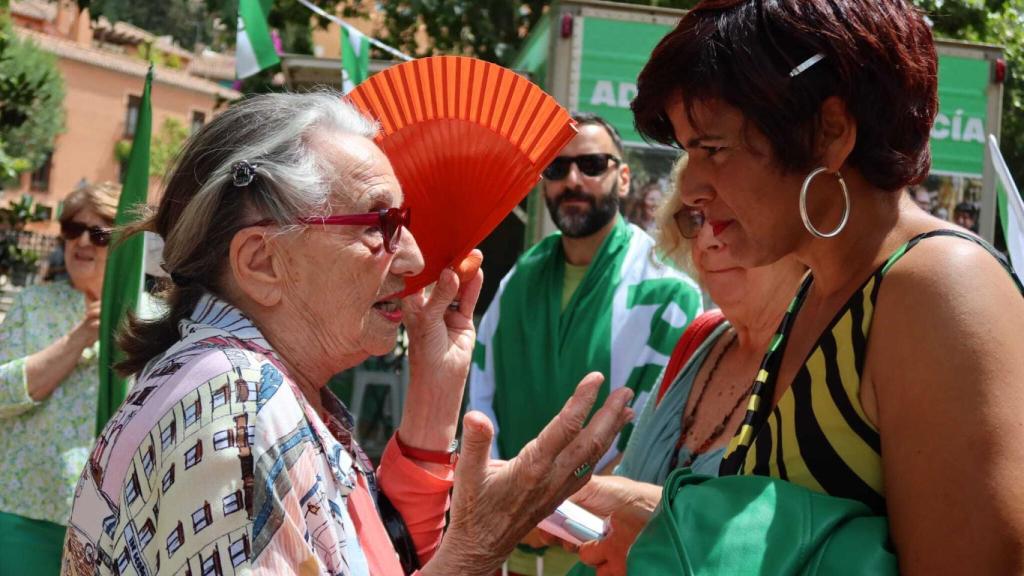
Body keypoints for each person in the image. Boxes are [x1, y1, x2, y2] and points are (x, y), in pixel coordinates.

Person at [61, 93, 633, 576]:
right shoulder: (234, 405)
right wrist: (476, 548)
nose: (412, 257)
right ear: (262, 261)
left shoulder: (255, 385)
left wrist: (434, 396)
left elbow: (382, 555)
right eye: (380, 224)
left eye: (404, 225)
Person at [610, 0, 1024, 572]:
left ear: (829, 133)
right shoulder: (821, 290)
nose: (694, 187)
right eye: (687, 152)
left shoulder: (937, 288)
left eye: (711, 148)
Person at [468, 112, 702, 575]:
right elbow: (480, 395)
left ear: (623, 178)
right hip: (511, 551)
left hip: (603, 557)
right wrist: (513, 498)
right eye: (556, 169)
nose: (572, 180)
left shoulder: (668, 293)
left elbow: (659, 432)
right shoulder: (518, 280)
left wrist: (553, 511)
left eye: (592, 164)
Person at [0, 182, 119, 575]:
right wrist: (80, 337)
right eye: (73, 229)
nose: (82, 241)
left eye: (98, 233)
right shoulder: (34, 304)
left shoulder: (148, 319)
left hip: (111, 525)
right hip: (23, 511)